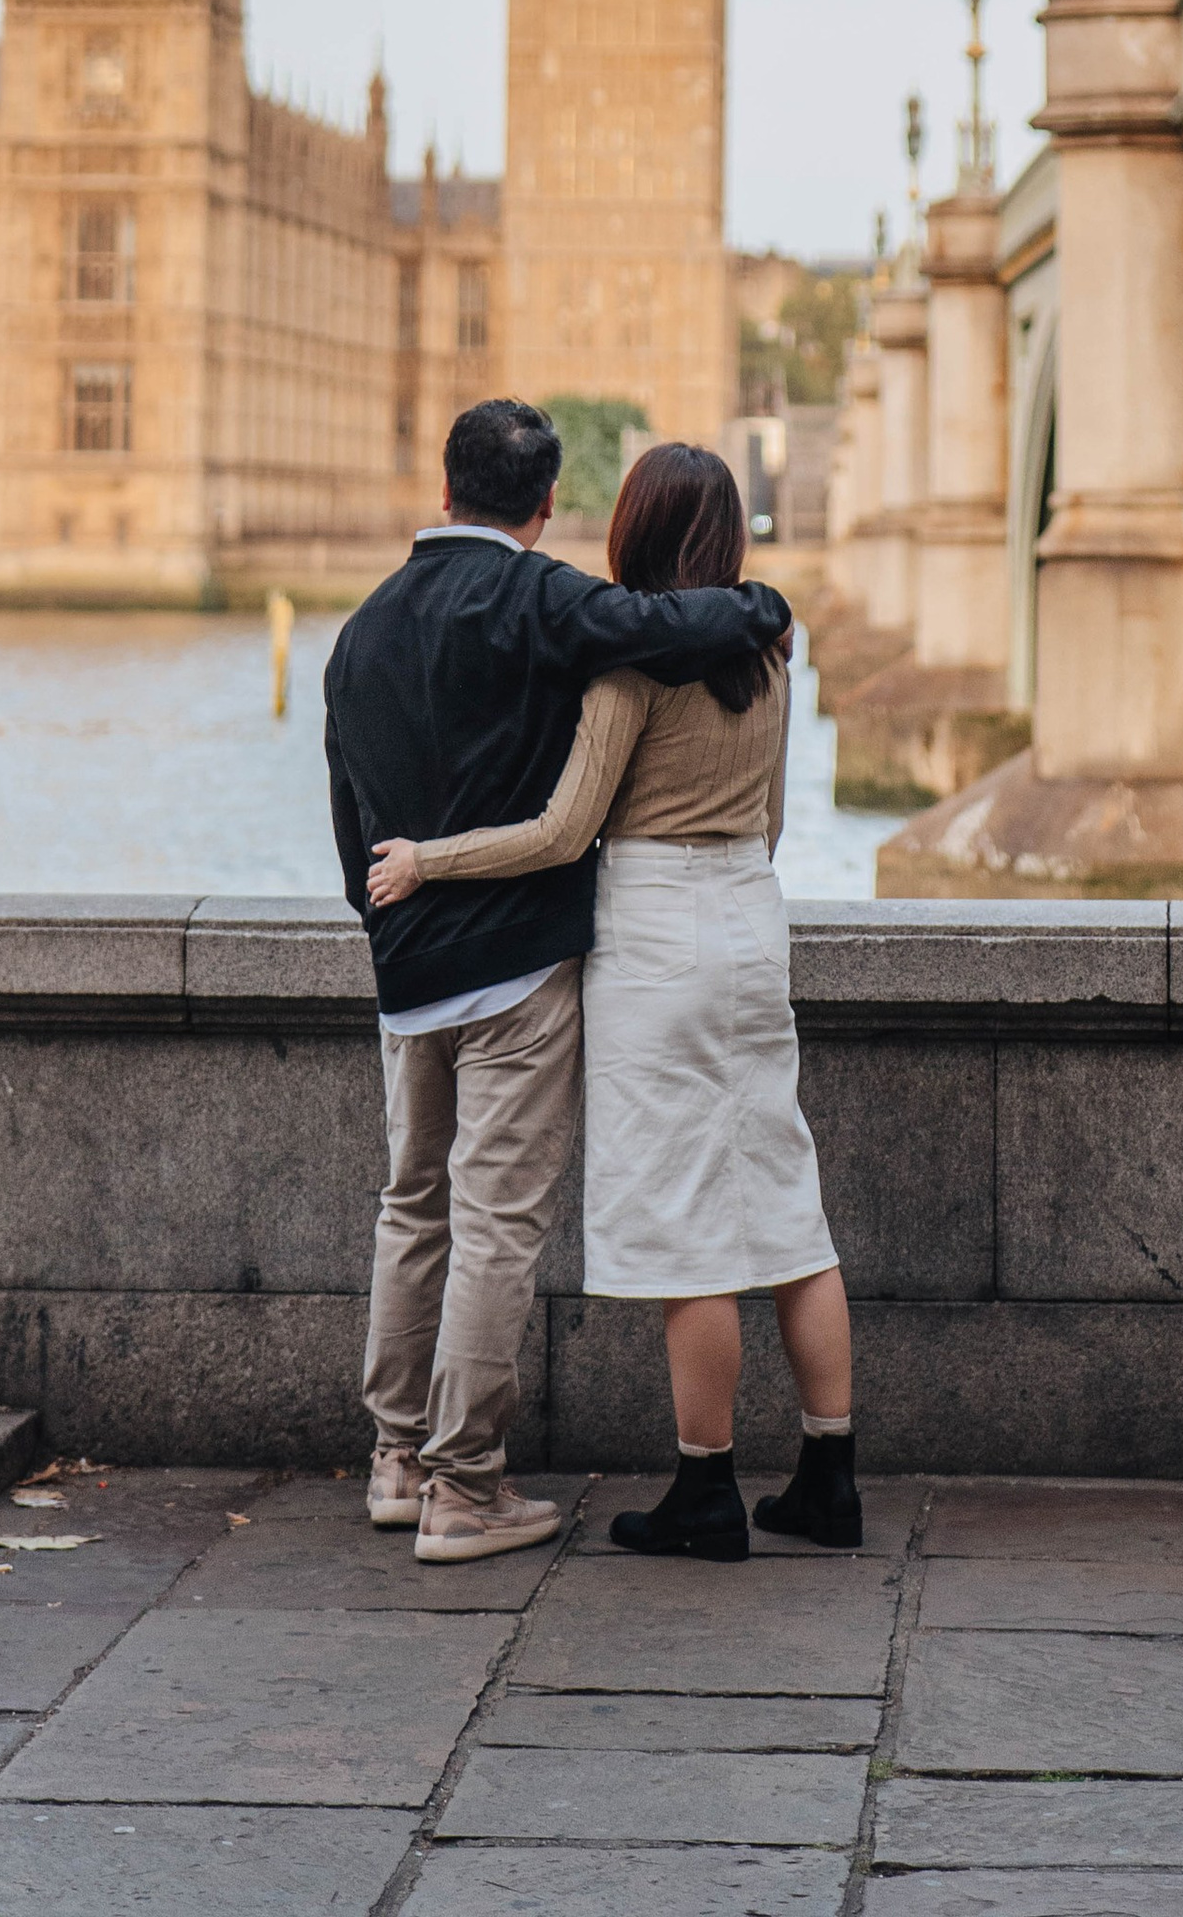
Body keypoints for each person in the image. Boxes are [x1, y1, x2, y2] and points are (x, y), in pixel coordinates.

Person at [368, 438, 859, 1565]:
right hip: (749, 913)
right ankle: (830, 1475)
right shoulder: (770, 654)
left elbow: (562, 832)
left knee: (688, 1228)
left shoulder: (633, 666)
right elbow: (776, 818)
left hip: (655, 932)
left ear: (631, 532)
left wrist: (427, 862)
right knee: (785, 1206)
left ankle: (706, 1488)